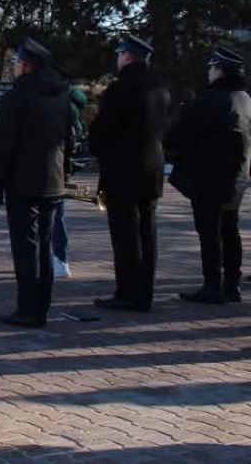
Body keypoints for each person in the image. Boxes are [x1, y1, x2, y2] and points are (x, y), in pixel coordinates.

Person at [0, 37, 73, 328]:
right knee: (45, 246)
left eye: (15, 62)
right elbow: (68, 139)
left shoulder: (18, 97)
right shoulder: (61, 94)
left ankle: (27, 309)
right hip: (53, 181)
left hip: (23, 183)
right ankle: (42, 306)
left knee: (25, 248)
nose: (13, 67)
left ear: (26, 65)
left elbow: (2, 146)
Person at [88, 35, 171, 313]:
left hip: (123, 170)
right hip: (152, 169)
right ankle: (144, 291)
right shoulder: (160, 88)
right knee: (147, 232)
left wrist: (96, 145)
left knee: (125, 234)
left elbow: (102, 132)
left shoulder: (120, 90)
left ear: (127, 57)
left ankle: (127, 292)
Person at [165, 46, 251, 304]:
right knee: (230, 229)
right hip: (237, 176)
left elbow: (179, 134)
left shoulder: (211, 100)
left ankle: (212, 285)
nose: (210, 73)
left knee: (209, 233)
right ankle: (231, 284)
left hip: (208, 175)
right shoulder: (244, 99)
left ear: (220, 71)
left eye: (213, 68)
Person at [52, 84, 89, 279]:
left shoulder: (60, 107)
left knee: (55, 215)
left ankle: (59, 258)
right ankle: (59, 258)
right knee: (58, 213)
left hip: (54, 168)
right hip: (63, 168)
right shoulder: (70, 107)